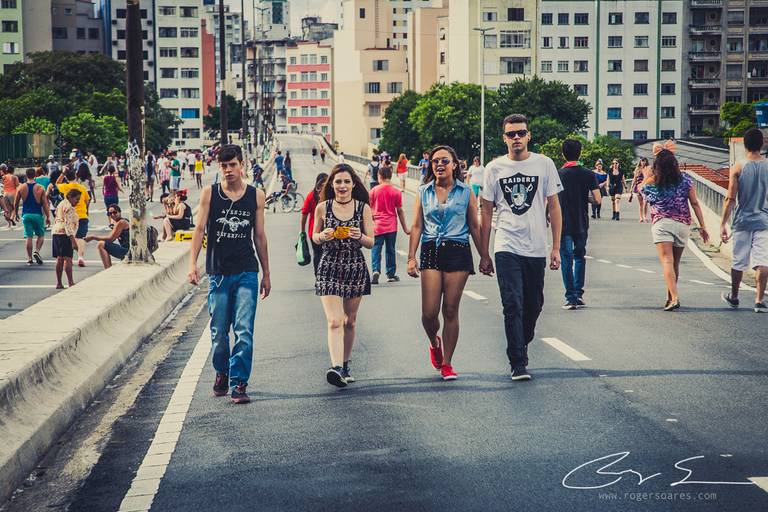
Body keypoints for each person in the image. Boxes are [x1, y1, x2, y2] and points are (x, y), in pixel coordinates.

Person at [479, 114, 563, 382]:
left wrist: (556, 247)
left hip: (536, 247)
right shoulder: (494, 168)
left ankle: (522, 340)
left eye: (520, 133)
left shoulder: (544, 164)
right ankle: (517, 361)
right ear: (504, 138)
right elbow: (486, 211)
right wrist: (484, 253)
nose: (516, 138)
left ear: (528, 136)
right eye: (511, 134)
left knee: (534, 304)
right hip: (506, 245)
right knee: (512, 303)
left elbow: (554, 206)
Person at [188, 144, 271, 404]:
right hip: (219, 273)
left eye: (233, 165)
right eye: (224, 166)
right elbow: (199, 229)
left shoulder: (256, 195)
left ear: (242, 165)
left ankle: (239, 382)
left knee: (244, 330)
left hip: (247, 271)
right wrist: (192, 264)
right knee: (219, 332)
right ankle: (222, 371)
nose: (228, 170)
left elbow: (259, 236)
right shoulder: (210, 193)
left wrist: (266, 273)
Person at [407, 146, 481, 381]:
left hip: (458, 249)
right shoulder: (423, 191)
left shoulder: (466, 192)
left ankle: (447, 363)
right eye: (435, 161)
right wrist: (411, 257)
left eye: (445, 161)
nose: (439, 164)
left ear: (454, 164)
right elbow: (417, 226)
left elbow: (474, 226)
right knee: (429, 313)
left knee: (450, 309)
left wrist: (485, 256)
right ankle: (434, 342)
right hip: (431, 249)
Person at [312, 164, 374, 387]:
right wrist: (323, 236)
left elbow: (371, 241)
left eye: (347, 181)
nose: (342, 186)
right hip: (329, 265)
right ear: (332, 184)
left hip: (354, 265)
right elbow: (314, 236)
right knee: (334, 320)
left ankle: (345, 365)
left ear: (354, 184)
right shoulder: (322, 207)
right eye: (338, 181)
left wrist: (359, 236)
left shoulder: (363, 208)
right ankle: (336, 367)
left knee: (349, 321)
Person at [640, 141, 709, 311]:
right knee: (674, 264)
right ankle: (670, 297)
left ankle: (675, 297)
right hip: (682, 225)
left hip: (662, 223)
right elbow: (695, 203)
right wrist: (703, 227)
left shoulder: (654, 180)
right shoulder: (686, 180)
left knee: (666, 261)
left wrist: (646, 175)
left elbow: (642, 191)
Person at [720, 128, 768, 313]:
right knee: (762, 261)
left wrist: (723, 223)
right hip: (764, 221)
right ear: (762, 143)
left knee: (739, 261)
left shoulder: (738, 167)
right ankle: (759, 300)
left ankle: (734, 297)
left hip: (742, 221)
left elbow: (730, 198)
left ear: (745, 145)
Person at [557, 140, 601, 310]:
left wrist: (546, 214)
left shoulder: (559, 174)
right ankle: (579, 294)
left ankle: (571, 298)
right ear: (580, 153)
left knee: (566, 258)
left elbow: (551, 199)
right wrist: (584, 198)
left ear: (563, 154)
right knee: (579, 257)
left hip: (563, 222)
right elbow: (597, 199)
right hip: (582, 222)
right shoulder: (589, 174)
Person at [370, 165, 410, 284]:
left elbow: (368, 209)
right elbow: (400, 211)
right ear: (390, 176)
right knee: (390, 250)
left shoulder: (373, 191)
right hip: (391, 226)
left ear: (379, 176)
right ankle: (390, 274)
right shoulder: (396, 192)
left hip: (377, 225)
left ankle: (376, 270)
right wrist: (405, 228)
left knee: (376, 248)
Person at [13, 168, 51, 265]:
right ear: (35, 176)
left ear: (26, 176)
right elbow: (45, 204)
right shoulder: (40, 187)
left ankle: (30, 258)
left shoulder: (21, 187)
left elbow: (16, 202)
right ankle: (37, 251)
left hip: (26, 215)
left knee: (29, 237)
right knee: (41, 235)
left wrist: (16, 213)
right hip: (37, 214)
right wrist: (48, 217)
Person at [56, 168, 91, 267]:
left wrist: (63, 173)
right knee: (81, 237)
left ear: (67, 178)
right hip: (82, 215)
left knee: (70, 237)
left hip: (69, 216)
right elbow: (87, 201)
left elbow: (57, 183)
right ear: (75, 176)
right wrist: (86, 211)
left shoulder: (65, 187)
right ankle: (80, 257)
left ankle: (69, 258)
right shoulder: (82, 187)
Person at [51, 189, 81, 289]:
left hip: (56, 231)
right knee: (68, 258)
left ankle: (59, 283)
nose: (78, 201)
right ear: (70, 197)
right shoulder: (69, 207)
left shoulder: (61, 203)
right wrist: (73, 241)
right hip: (65, 234)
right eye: (77, 199)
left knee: (59, 258)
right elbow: (68, 225)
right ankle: (70, 282)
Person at [301, 173, 329, 274]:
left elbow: (304, 214)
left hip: (313, 231)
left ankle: (318, 276)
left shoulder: (311, 195)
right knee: (327, 254)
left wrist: (302, 231)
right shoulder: (330, 196)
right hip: (328, 231)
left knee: (317, 254)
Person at [630, 157, 651, 223]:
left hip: (645, 187)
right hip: (638, 187)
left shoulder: (648, 168)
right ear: (640, 162)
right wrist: (631, 188)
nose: (643, 162)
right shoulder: (637, 169)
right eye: (642, 161)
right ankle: (641, 217)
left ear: (646, 162)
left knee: (645, 202)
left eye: (644, 161)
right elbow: (634, 179)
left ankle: (645, 217)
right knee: (641, 203)